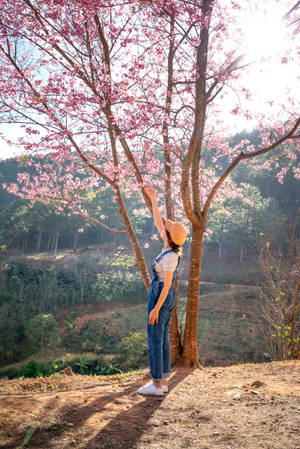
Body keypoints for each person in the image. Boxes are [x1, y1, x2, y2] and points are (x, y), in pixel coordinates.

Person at [138, 185, 187, 396]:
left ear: (168, 235)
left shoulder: (169, 256)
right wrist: (153, 199)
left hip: (161, 295)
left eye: (166, 227)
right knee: (163, 338)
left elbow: (167, 285)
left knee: (154, 339)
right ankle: (163, 381)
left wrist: (156, 308)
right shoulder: (169, 246)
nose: (163, 227)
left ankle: (156, 384)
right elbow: (158, 221)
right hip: (165, 297)